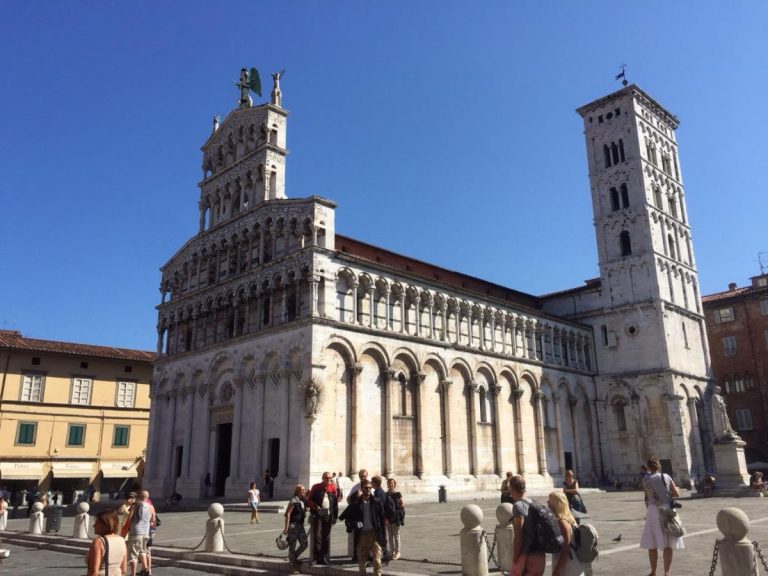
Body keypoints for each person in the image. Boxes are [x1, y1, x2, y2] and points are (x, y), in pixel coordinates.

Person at [640, 458, 683, 576]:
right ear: (658, 466)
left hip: (653, 510)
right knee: (668, 544)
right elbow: (676, 494)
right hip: (667, 510)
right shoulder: (666, 477)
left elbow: (648, 496)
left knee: (652, 543)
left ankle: (653, 572)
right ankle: (667, 572)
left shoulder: (645, 480)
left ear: (648, 467)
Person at [339, 479, 387, 576]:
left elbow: (382, 521)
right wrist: (354, 524)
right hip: (362, 536)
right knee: (362, 562)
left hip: (374, 535)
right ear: (362, 488)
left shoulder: (377, 502)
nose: (368, 489)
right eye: (366, 488)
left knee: (377, 560)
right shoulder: (356, 504)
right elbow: (345, 518)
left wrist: (383, 537)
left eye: (370, 487)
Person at [509, 474, 546, 576]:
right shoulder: (533, 502)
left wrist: (515, 556)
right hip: (539, 554)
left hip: (527, 555)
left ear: (512, 488)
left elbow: (518, 534)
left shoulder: (518, 506)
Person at [548, 491, 584, 576]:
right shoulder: (568, 518)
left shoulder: (562, 522)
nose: (548, 503)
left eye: (550, 500)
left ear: (556, 503)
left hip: (567, 565)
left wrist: (557, 568)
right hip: (570, 563)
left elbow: (566, 548)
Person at [307, 471, 338, 565]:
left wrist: (335, 516)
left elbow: (335, 503)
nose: (329, 480)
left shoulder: (333, 488)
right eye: (327, 478)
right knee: (317, 536)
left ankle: (324, 556)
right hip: (317, 515)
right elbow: (309, 500)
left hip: (328, 515)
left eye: (330, 478)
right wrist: (315, 507)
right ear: (323, 478)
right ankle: (316, 558)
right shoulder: (316, 487)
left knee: (326, 536)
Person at [86, 509, 128, 576]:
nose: (94, 525)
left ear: (105, 524)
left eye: (97, 522)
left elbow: (94, 572)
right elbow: (124, 570)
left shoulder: (99, 542)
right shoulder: (121, 540)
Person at [127, 490, 155, 576]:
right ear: (147, 497)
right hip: (146, 533)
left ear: (139, 496)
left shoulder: (136, 505)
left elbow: (130, 518)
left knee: (133, 555)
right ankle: (145, 569)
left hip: (136, 532)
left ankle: (133, 574)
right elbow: (153, 521)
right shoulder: (151, 507)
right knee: (143, 551)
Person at [283, 484, 309, 573]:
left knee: (304, 544)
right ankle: (291, 567)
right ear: (297, 490)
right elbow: (287, 514)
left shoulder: (302, 501)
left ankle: (293, 558)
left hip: (300, 526)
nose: (303, 490)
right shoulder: (294, 500)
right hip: (293, 526)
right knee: (292, 546)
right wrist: (286, 528)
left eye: (304, 489)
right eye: (302, 489)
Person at [385, 477, 405, 560]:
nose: (390, 485)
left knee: (396, 535)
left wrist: (399, 514)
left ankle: (398, 552)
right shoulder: (386, 494)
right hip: (388, 517)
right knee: (390, 535)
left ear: (394, 485)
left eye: (392, 483)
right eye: (389, 483)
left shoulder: (397, 494)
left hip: (396, 517)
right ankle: (392, 551)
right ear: (387, 485)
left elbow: (402, 504)